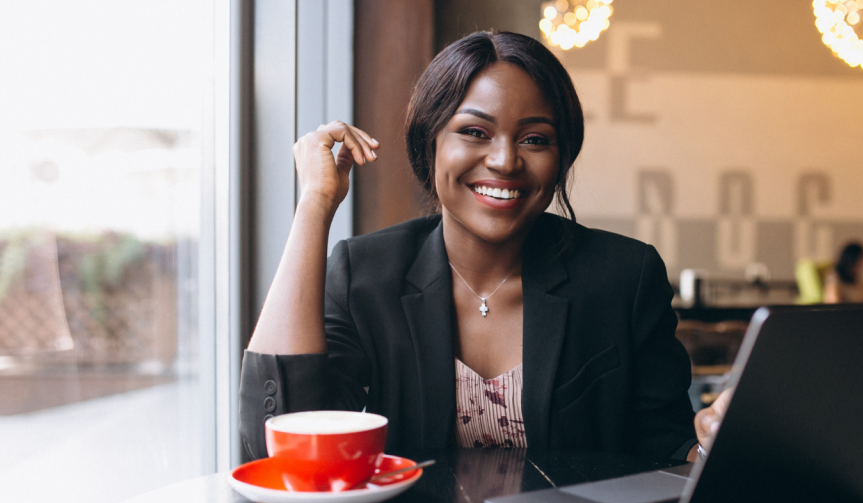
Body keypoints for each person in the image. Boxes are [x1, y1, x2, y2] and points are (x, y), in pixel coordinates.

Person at [240, 31, 721, 463]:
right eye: (474, 132)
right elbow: (276, 438)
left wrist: (710, 445)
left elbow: (667, 451)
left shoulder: (624, 277)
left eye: (535, 139)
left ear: (561, 158)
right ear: (430, 142)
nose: (505, 159)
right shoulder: (366, 274)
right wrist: (315, 204)